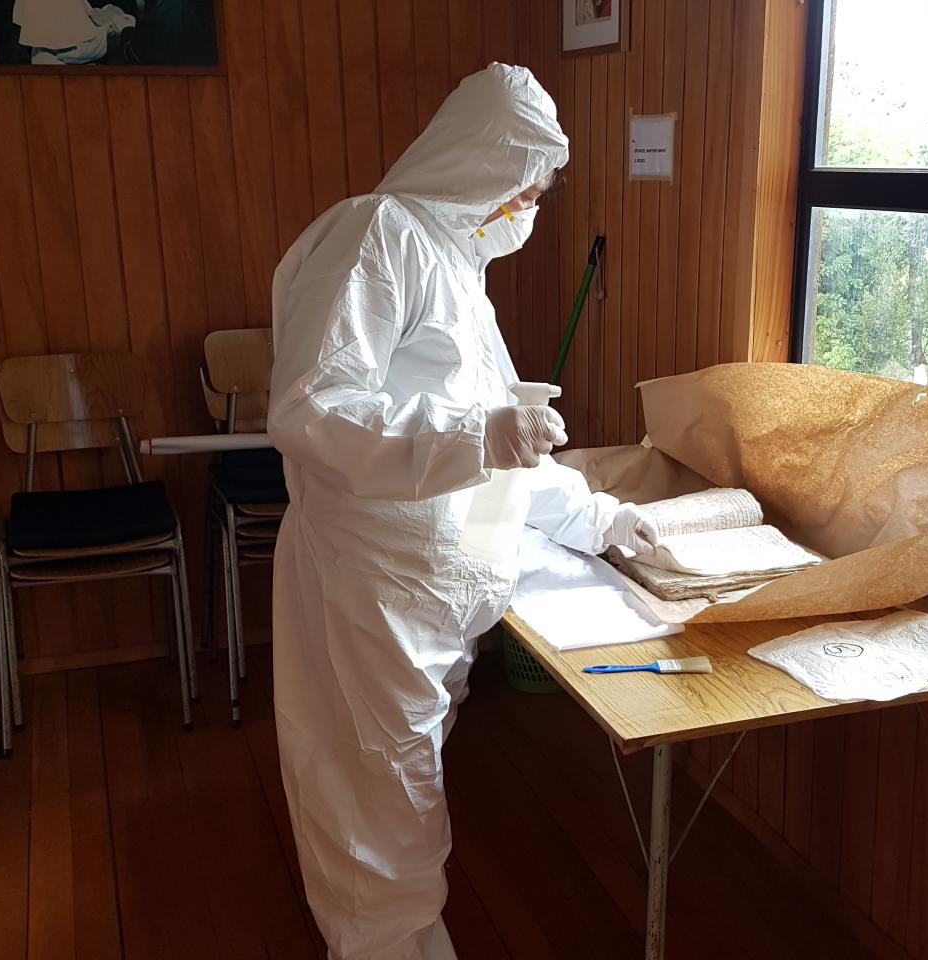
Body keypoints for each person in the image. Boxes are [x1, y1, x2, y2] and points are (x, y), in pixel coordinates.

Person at [268, 63, 655, 960]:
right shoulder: (378, 236)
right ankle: (386, 944)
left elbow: (495, 450)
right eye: (524, 180)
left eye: (540, 188)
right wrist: (478, 434)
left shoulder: (456, 267)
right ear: (478, 160)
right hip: (373, 587)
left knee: (402, 774)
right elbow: (314, 406)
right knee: (383, 787)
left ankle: (392, 933)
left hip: (435, 597)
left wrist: (595, 515)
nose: (530, 203)